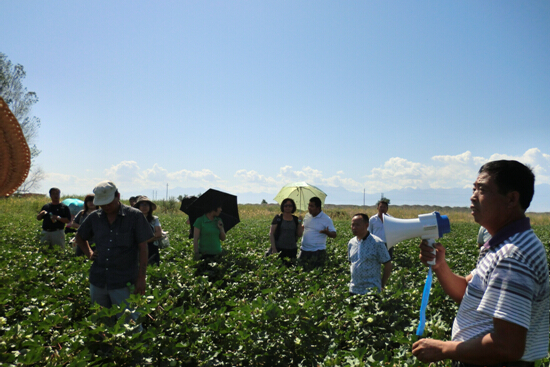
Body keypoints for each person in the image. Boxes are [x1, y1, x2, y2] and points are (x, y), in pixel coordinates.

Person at [412, 160, 550, 366]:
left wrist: (443, 348)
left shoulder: (513, 256)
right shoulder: (503, 245)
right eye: (474, 188)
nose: (472, 196)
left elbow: (507, 346)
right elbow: (467, 292)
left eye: (482, 189)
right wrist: (440, 266)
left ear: (512, 199)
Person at [75, 181, 153, 327]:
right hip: (98, 280)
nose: (106, 206)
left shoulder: (134, 216)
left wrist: (141, 278)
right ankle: (106, 349)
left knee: (131, 324)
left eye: (109, 202)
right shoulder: (94, 217)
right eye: (102, 204)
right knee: (101, 323)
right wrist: (90, 253)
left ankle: (133, 349)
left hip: (124, 281)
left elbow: (143, 248)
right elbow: (79, 238)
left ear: (118, 196)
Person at [348, 213, 392, 294]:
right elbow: (351, 263)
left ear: (366, 225)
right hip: (354, 289)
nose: (354, 228)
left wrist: (382, 284)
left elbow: (388, 264)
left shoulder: (377, 243)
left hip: (371, 290)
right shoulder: (351, 242)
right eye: (352, 225)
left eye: (357, 225)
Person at [299, 197, 337, 269]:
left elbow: (334, 235)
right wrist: (299, 223)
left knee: (316, 274)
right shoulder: (307, 216)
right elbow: (304, 227)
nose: (309, 208)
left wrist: (327, 232)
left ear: (318, 208)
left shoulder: (326, 219)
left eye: (312, 206)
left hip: (317, 251)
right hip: (304, 250)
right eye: (309, 205)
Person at [268, 198, 304, 263]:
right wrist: (274, 248)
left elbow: (299, 234)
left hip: (292, 249)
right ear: (283, 207)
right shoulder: (278, 218)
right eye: (286, 205)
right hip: (279, 248)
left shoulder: (296, 219)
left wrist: (300, 223)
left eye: (290, 206)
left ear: (293, 207)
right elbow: (271, 233)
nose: (288, 207)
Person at [134, 196, 163, 266]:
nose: (144, 206)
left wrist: (143, 241)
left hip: (152, 249)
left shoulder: (154, 219)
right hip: (137, 250)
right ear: (138, 207)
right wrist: (153, 237)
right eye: (142, 204)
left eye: (146, 204)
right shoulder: (133, 219)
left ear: (150, 207)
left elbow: (159, 233)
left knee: (154, 268)